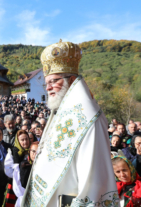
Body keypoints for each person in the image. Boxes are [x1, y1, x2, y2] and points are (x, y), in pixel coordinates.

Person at [22, 40, 118, 206]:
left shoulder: (89, 117)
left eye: (55, 81)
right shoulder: (61, 111)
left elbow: (92, 176)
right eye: (47, 83)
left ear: (73, 80)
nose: (49, 88)